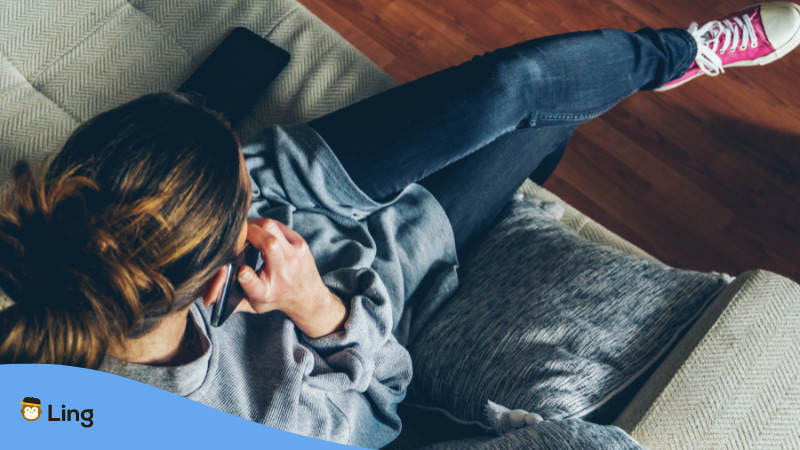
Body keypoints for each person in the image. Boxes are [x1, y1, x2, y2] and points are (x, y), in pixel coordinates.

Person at [1, 2, 799, 448]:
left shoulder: (41, 281)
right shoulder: (251, 419)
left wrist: (248, 183)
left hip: (319, 176)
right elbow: (384, 406)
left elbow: (264, 173)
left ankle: (682, 52)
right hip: (393, 265)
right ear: (216, 275)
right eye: (245, 194)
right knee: (546, 124)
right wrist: (316, 307)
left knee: (514, 83)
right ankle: (519, 183)